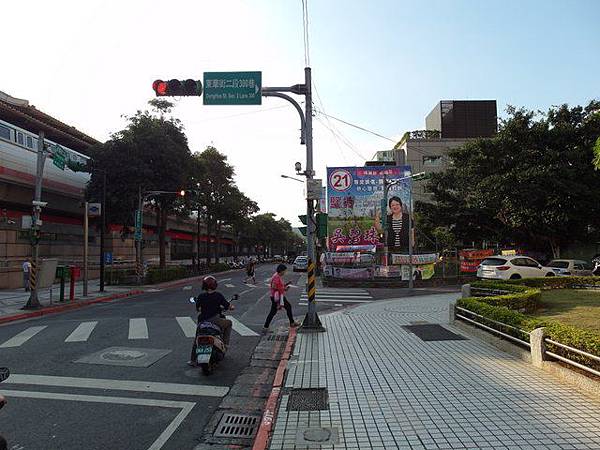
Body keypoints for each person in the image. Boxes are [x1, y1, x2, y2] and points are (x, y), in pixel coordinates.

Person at [188, 275, 234, 366]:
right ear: (215, 285)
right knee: (229, 323)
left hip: (202, 321)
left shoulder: (201, 296)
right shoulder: (218, 295)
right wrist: (231, 307)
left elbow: (198, 309)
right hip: (215, 320)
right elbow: (228, 306)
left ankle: (193, 360)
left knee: (197, 337)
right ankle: (225, 344)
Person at [263, 264, 299, 331]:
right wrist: (283, 289)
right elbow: (274, 286)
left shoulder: (277, 275)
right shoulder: (276, 277)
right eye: (285, 271)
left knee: (283, 308)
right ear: (281, 270)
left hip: (278, 296)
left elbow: (279, 286)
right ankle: (265, 327)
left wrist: (287, 284)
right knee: (277, 310)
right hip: (277, 297)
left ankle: (266, 326)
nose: (285, 272)